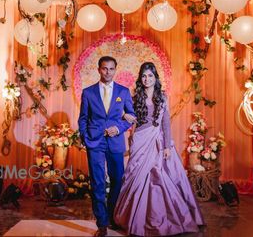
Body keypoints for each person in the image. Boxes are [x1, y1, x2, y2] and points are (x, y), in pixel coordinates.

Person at [114, 62, 205, 236]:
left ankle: (164, 219)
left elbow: (165, 123)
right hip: (140, 140)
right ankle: (132, 218)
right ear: (140, 78)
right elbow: (129, 119)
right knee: (135, 177)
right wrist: (126, 121)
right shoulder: (135, 96)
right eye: (144, 76)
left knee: (158, 178)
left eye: (150, 75)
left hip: (157, 140)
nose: (147, 79)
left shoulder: (162, 97)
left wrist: (167, 146)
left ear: (155, 78)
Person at [78, 56, 135, 237]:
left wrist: (118, 128)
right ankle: (101, 223)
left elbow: (131, 117)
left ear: (115, 70)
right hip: (95, 142)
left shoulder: (123, 91)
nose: (108, 72)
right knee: (98, 181)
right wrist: (85, 137)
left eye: (111, 69)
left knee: (117, 179)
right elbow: (83, 118)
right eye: (104, 68)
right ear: (99, 70)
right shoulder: (88, 92)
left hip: (116, 142)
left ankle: (112, 216)